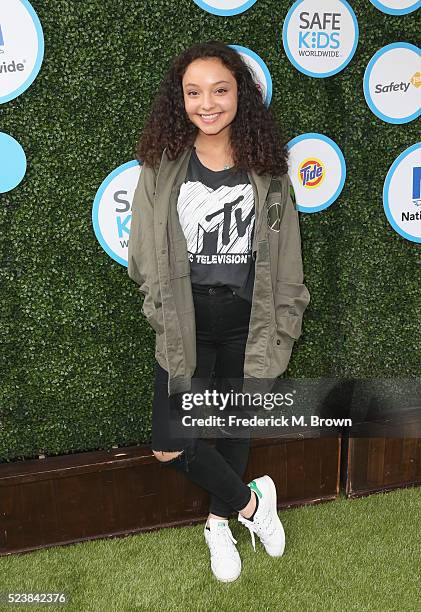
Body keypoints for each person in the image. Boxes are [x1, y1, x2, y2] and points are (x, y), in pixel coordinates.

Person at [128, 40, 310, 583]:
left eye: (220, 90)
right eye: (193, 92)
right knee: (171, 443)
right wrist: (158, 306)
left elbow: (288, 253)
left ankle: (218, 520)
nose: (207, 103)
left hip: (247, 321)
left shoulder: (268, 168)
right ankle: (254, 506)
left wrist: (283, 321)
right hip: (186, 320)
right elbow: (140, 251)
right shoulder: (162, 166)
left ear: (240, 95)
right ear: (179, 99)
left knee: (233, 425)